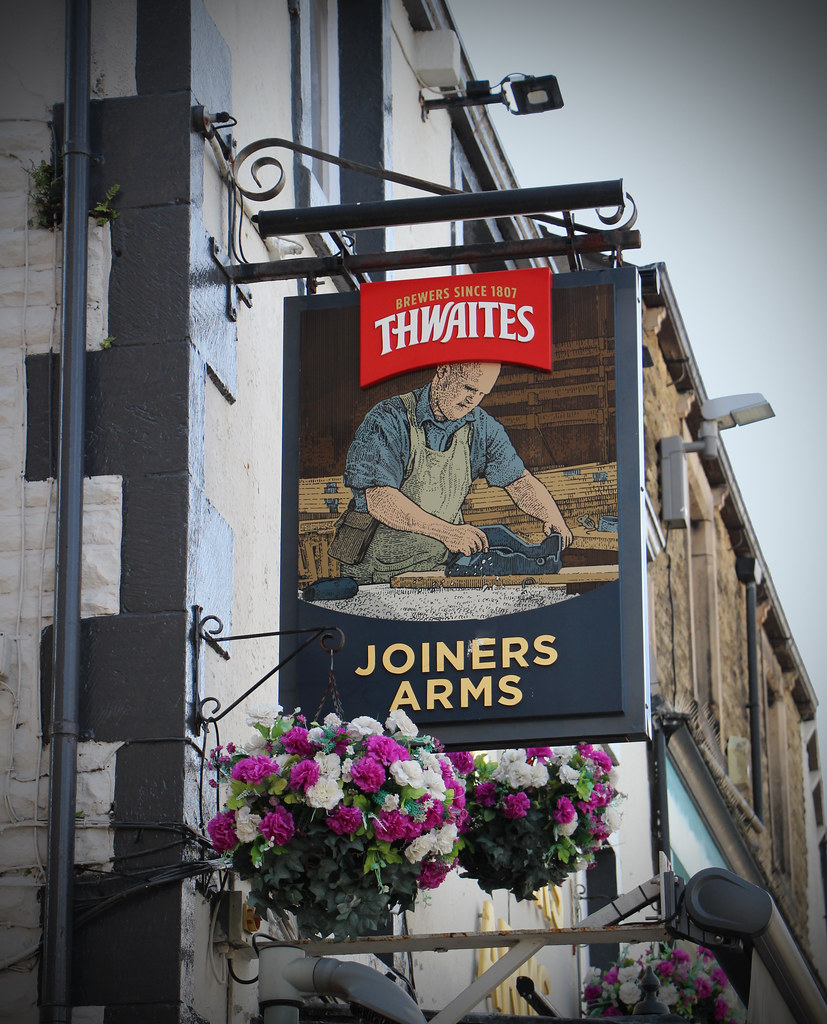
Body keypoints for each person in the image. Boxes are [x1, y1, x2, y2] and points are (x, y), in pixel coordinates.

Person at [335, 360, 572, 584]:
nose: (473, 400)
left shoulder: (481, 427)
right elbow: (378, 498)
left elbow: (519, 481)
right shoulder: (389, 419)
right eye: (469, 388)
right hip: (377, 574)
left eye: (481, 393)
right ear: (443, 371)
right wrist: (448, 533)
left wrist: (550, 515)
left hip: (438, 567)